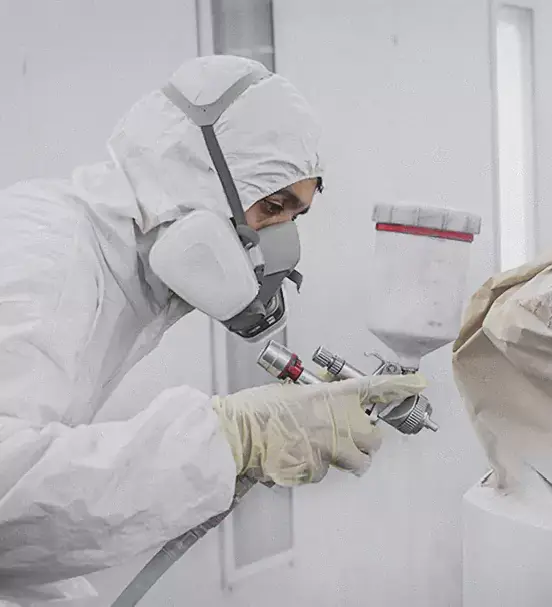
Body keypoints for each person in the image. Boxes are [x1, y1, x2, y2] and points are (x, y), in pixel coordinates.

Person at [0, 55, 426, 602]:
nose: (279, 248)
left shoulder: (113, 268)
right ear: (191, 179)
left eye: (294, 218)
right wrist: (233, 439)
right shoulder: (49, 259)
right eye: (272, 207)